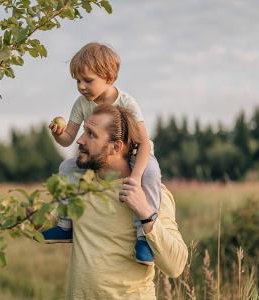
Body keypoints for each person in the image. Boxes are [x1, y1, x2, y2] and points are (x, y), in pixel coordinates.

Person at [45, 42, 161, 265]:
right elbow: (68, 138)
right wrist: (57, 134)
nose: (81, 86)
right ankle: (65, 224)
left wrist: (135, 177)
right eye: (77, 81)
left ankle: (144, 237)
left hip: (138, 154)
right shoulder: (82, 103)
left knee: (151, 175)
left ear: (109, 78)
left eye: (88, 80)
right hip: (103, 157)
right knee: (66, 168)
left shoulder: (126, 102)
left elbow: (144, 143)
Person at [55, 104, 187, 299]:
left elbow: (176, 266)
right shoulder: (80, 187)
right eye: (84, 131)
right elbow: (51, 221)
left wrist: (146, 214)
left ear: (116, 147)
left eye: (91, 134)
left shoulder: (151, 194)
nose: (80, 140)